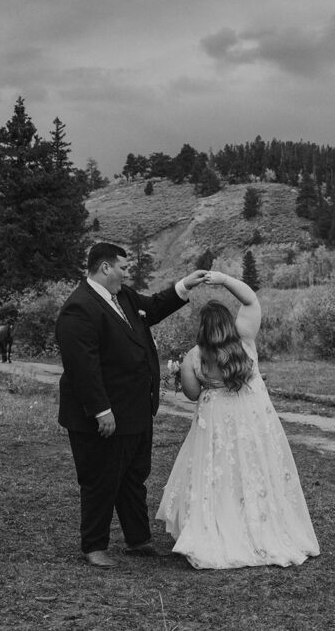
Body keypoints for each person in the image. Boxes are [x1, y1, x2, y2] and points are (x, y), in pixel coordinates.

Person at [56, 242, 207, 568]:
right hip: (102, 415)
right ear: (105, 267)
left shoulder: (122, 296)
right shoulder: (78, 308)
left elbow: (153, 307)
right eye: (123, 267)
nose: (127, 273)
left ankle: (138, 540)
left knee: (133, 477)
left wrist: (185, 285)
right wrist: (101, 410)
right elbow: (82, 367)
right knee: (100, 479)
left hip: (135, 409)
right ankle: (94, 546)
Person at [156, 270, 320, 569]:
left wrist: (180, 373)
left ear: (203, 327)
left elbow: (192, 394)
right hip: (250, 420)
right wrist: (223, 279)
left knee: (218, 473)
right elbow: (251, 299)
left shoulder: (194, 356)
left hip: (215, 422)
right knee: (254, 468)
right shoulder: (245, 340)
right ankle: (260, 525)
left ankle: (219, 525)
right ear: (228, 322)